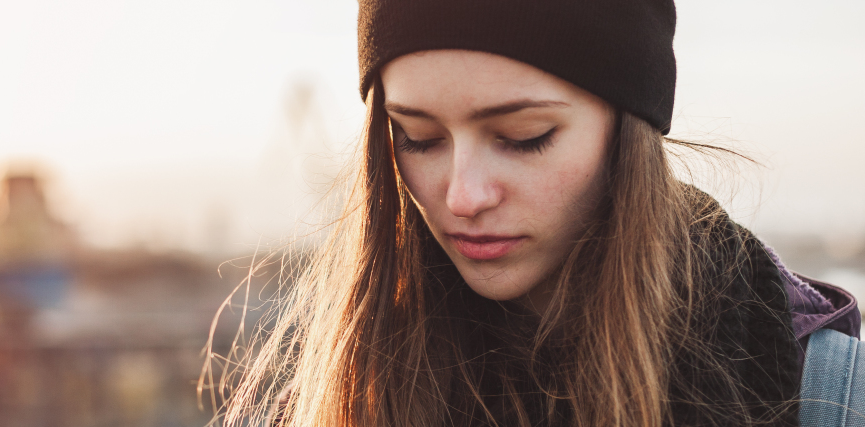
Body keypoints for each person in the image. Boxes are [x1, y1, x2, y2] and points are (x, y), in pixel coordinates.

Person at [213, 1, 860, 426]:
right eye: (417, 136)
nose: (462, 196)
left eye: (523, 136)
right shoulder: (326, 402)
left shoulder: (828, 398)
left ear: (627, 129)